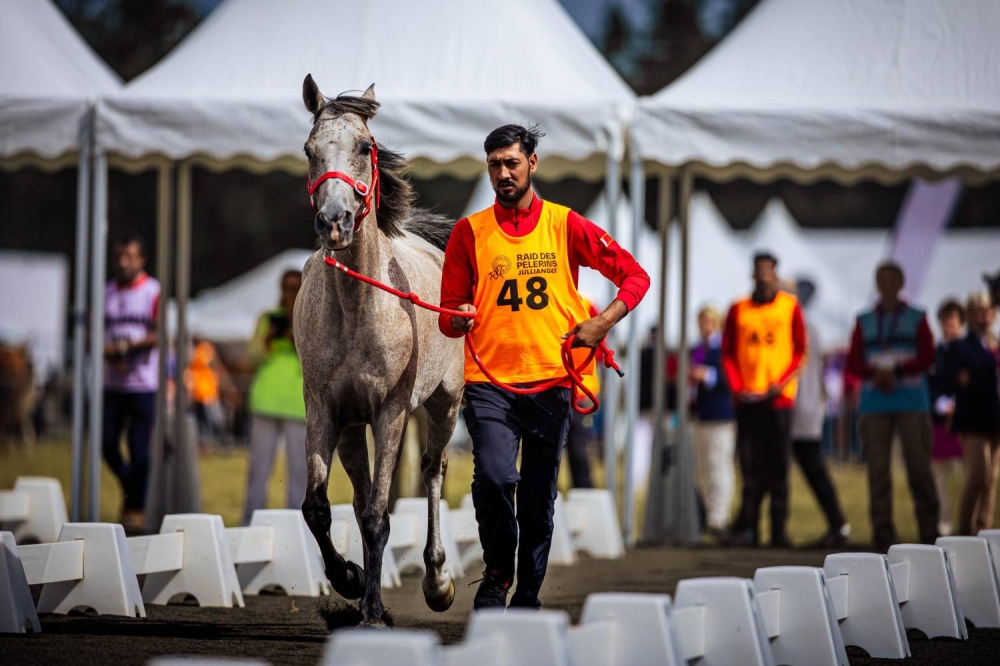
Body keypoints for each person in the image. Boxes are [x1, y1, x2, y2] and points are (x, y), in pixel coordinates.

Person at [439, 124, 649, 610]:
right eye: (494, 165)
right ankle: (497, 574)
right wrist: (458, 316)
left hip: (553, 382)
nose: (503, 174)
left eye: (511, 163)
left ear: (532, 163)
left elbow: (635, 276)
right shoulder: (468, 232)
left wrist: (601, 323)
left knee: (537, 502)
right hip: (489, 384)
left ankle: (528, 594)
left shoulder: (565, 224)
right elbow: (448, 315)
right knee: (494, 479)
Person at [846, 262, 938, 551]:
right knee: (877, 472)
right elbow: (853, 360)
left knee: (919, 469)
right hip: (875, 404)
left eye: (891, 279)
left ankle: (929, 533)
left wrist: (896, 372)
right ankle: (882, 535)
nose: (886, 285)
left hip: (911, 403)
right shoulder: (864, 320)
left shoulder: (917, 317)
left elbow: (928, 356)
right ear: (877, 283)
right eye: (881, 279)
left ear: (900, 283)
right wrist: (876, 374)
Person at [721, 252, 806, 547]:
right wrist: (737, 387)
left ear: (775, 274)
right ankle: (750, 530)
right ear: (753, 274)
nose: (764, 277)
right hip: (748, 400)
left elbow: (800, 350)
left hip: (779, 401)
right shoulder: (738, 308)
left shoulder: (789, 306)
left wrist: (782, 383)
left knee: (778, 469)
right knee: (750, 467)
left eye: (769, 272)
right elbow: (728, 352)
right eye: (760, 272)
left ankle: (778, 532)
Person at [102, 234, 160, 531]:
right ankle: (131, 489)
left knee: (139, 450)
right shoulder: (107, 292)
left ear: (142, 260)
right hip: (112, 383)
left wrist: (125, 348)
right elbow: (93, 331)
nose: (124, 263)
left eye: (130, 257)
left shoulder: (152, 291)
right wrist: (108, 352)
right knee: (106, 444)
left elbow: (160, 332)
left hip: (143, 383)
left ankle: (135, 507)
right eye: (120, 257)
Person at [242, 269, 308, 525]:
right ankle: (250, 522)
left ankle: (297, 524)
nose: (291, 293)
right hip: (265, 400)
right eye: (287, 287)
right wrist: (268, 340)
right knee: (258, 468)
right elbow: (252, 355)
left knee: (299, 471)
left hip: (298, 404)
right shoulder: (268, 318)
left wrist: (296, 340)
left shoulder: (311, 317)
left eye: (295, 287)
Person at [790, 279, 849, 547]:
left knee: (812, 467)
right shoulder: (807, 326)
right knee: (810, 468)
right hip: (803, 406)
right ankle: (838, 524)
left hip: (802, 407)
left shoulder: (803, 326)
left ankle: (838, 523)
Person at [950, 291, 1000, 535]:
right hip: (973, 421)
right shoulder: (961, 346)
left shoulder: (995, 344)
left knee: (991, 479)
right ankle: (965, 531)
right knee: (979, 474)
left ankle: (983, 530)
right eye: (979, 311)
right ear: (970, 314)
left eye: (988, 311)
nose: (984, 316)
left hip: (996, 419)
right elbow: (956, 378)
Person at [689, 304, 735, 537]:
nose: (703, 326)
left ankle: (719, 515)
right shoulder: (698, 349)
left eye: (707, 321)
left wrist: (706, 375)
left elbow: (728, 377)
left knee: (718, 466)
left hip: (721, 415)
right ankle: (709, 514)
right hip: (703, 415)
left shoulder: (725, 348)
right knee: (704, 468)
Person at [929, 299, 966, 536]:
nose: (947, 324)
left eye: (952, 319)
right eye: (944, 320)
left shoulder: (970, 350)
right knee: (938, 479)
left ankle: (968, 525)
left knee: (968, 478)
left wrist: (958, 407)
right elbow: (931, 384)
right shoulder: (937, 354)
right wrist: (943, 405)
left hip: (966, 424)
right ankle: (944, 527)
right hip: (940, 424)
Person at [186, 336, 237, 450]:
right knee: (205, 422)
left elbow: (216, 368)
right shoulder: (197, 356)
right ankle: (208, 444)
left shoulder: (203, 351)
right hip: (201, 395)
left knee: (215, 420)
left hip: (208, 394)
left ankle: (220, 443)